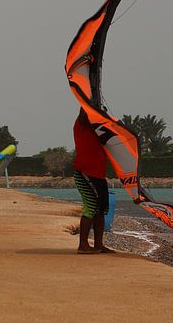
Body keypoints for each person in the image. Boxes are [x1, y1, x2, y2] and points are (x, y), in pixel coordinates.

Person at [72, 109, 113, 254]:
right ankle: (83, 245)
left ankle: (98, 245)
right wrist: (91, 100)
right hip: (85, 173)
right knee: (90, 207)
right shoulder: (81, 123)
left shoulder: (97, 130)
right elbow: (85, 110)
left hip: (99, 175)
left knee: (102, 208)